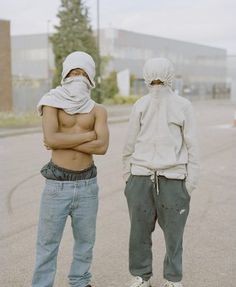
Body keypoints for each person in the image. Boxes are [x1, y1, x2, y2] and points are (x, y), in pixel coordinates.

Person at [32, 51, 109, 287]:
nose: (78, 76)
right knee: (48, 243)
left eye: (83, 72)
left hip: (87, 185)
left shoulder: (98, 110)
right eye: (74, 72)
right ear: (65, 74)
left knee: (86, 242)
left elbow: (103, 147)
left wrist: (64, 138)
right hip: (57, 185)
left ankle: (80, 282)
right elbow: (51, 139)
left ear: (91, 76)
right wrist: (88, 135)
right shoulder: (51, 101)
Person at [123, 58, 199, 287]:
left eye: (158, 78)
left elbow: (192, 145)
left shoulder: (182, 105)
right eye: (153, 79)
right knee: (139, 233)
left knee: (174, 234)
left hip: (173, 179)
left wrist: (189, 183)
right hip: (140, 177)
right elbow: (130, 143)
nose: (156, 83)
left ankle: (172, 278)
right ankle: (141, 276)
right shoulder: (141, 105)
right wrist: (129, 177)